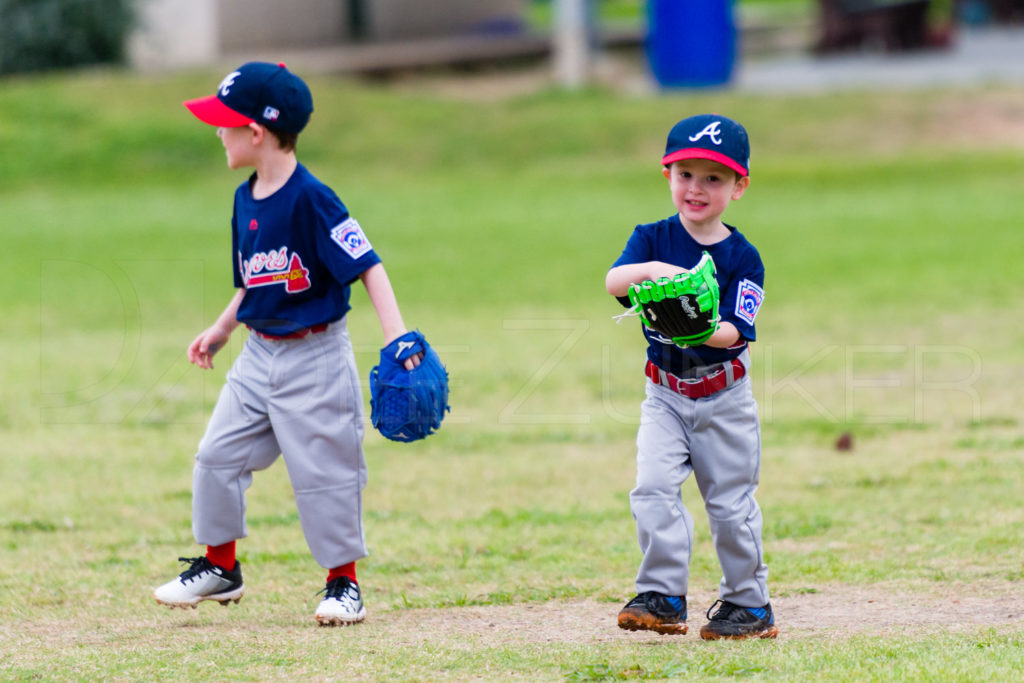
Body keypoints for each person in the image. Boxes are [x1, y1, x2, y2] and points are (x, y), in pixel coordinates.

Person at [153, 62, 419, 627]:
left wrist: (399, 339)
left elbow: (368, 266)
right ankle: (221, 567)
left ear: (256, 133)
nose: (216, 133)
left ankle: (343, 585)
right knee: (215, 456)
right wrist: (224, 327)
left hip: (316, 356)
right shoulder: (244, 199)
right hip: (257, 355)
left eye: (225, 124)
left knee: (326, 475)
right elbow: (253, 280)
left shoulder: (313, 199)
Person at [605, 114, 778, 640]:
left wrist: (698, 325)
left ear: (739, 186)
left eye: (713, 178)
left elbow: (736, 331)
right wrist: (659, 273)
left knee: (729, 507)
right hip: (664, 395)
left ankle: (749, 604)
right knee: (652, 489)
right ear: (667, 176)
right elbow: (614, 281)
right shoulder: (651, 238)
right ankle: (662, 595)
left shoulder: (743, 258)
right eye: (685, 174)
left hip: (724, 398)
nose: (696, 188)